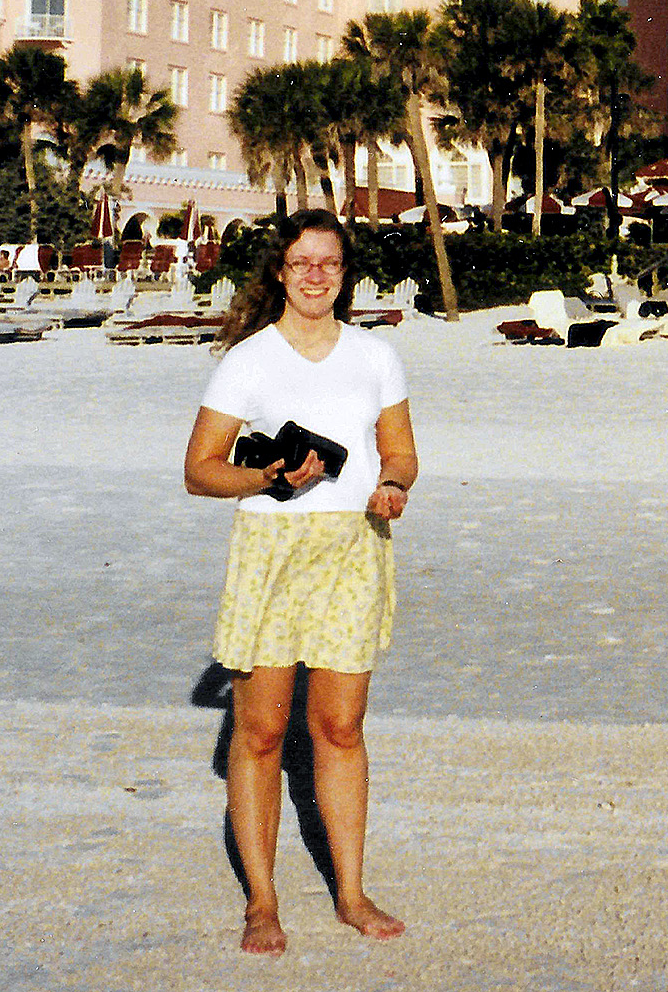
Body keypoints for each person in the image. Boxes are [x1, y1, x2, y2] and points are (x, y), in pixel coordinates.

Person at [184, 209, 416, 955]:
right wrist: (269, 477)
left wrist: (393, 487)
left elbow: (402, 455)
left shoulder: (376, 355)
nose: (315, 274)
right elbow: (199, 470)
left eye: (330, 263)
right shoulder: (247, 360)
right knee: (260, 731)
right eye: (301, 262)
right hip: (273, 549)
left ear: (345, 275)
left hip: (353, 546)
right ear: (280, 272)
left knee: (340, 728)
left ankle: (350, 892)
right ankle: (262, 902)